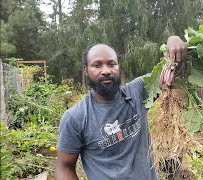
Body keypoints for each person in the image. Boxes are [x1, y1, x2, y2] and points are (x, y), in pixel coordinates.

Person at [55, 36, 187, 180]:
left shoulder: (138, 91)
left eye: (112, 64)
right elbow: (64, 167)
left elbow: (172, 72)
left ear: (119, 67)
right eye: (97, 65)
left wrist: (173, 40)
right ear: (86, 70)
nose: (106, 71)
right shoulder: (76, 117)